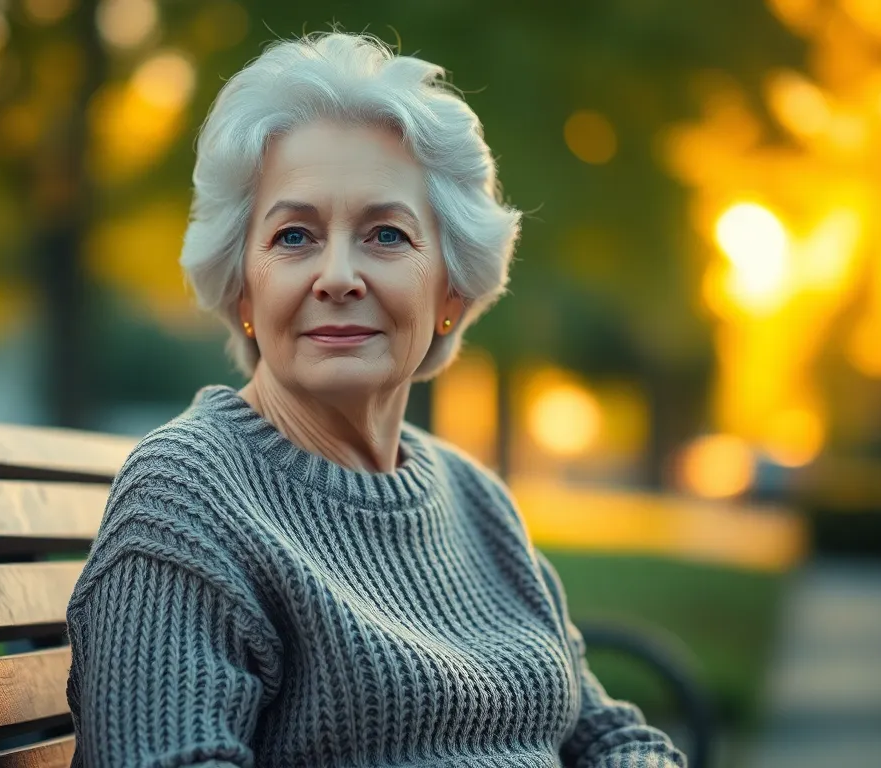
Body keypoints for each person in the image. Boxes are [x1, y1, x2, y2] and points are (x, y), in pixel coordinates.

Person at [65, 31, 688, 768]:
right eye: (294, 236)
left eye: (385, 235)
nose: (337, 276)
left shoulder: (475, 501)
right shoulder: (188, 500)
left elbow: (610, 736)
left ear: (450, 289)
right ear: (242, 288)